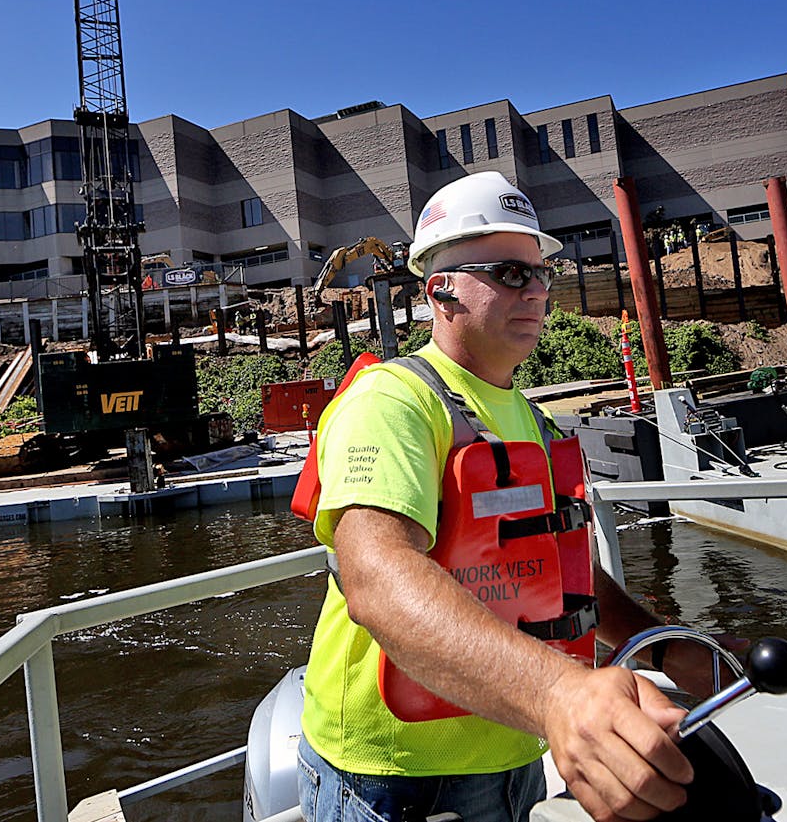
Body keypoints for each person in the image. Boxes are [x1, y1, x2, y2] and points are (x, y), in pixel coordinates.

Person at [298, 171, 739, 822]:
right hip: (394, 780)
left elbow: (567, 575)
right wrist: (562, 694)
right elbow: (375, 575)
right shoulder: (391, 401)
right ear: (439, 291)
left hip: (514, 751)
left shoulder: (533, 421)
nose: (535, 289)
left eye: (542, 272)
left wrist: (668, 645)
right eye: (509, 271)